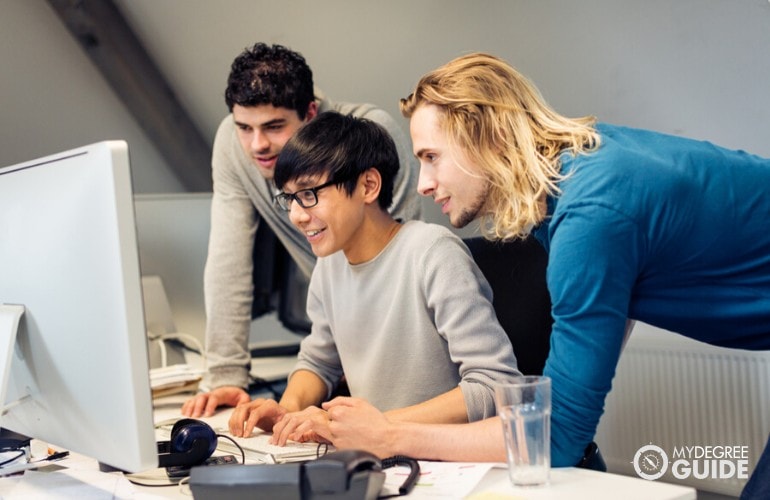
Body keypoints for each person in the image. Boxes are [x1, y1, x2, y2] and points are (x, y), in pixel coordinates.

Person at [301, 53, 770, 495]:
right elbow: (610, 308)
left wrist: (390, 434)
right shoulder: (565, 182)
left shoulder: (591, 212)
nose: (423, 184)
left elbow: (558, 438)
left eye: (431, 156)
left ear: (487, 137)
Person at [226, 110, 521, 443]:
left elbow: (494, 385)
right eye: (289, 198)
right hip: (378, 457)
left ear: (368, 186)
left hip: (446, 462)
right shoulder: (330, 265)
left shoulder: (432, 252)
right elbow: (319, 362)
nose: (296, 215)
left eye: (309, 195)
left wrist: (378, 426)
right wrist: (288, 408)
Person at [181, 43, 421, 418]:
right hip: (326, 333)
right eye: (244, 127)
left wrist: (371, 393)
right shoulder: (232, 144)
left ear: (310, 112)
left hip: (388, 348)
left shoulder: (368, 137)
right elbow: (228, 259)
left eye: (274, 126)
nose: (257, 145)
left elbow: (394, 268)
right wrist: (226, 373)